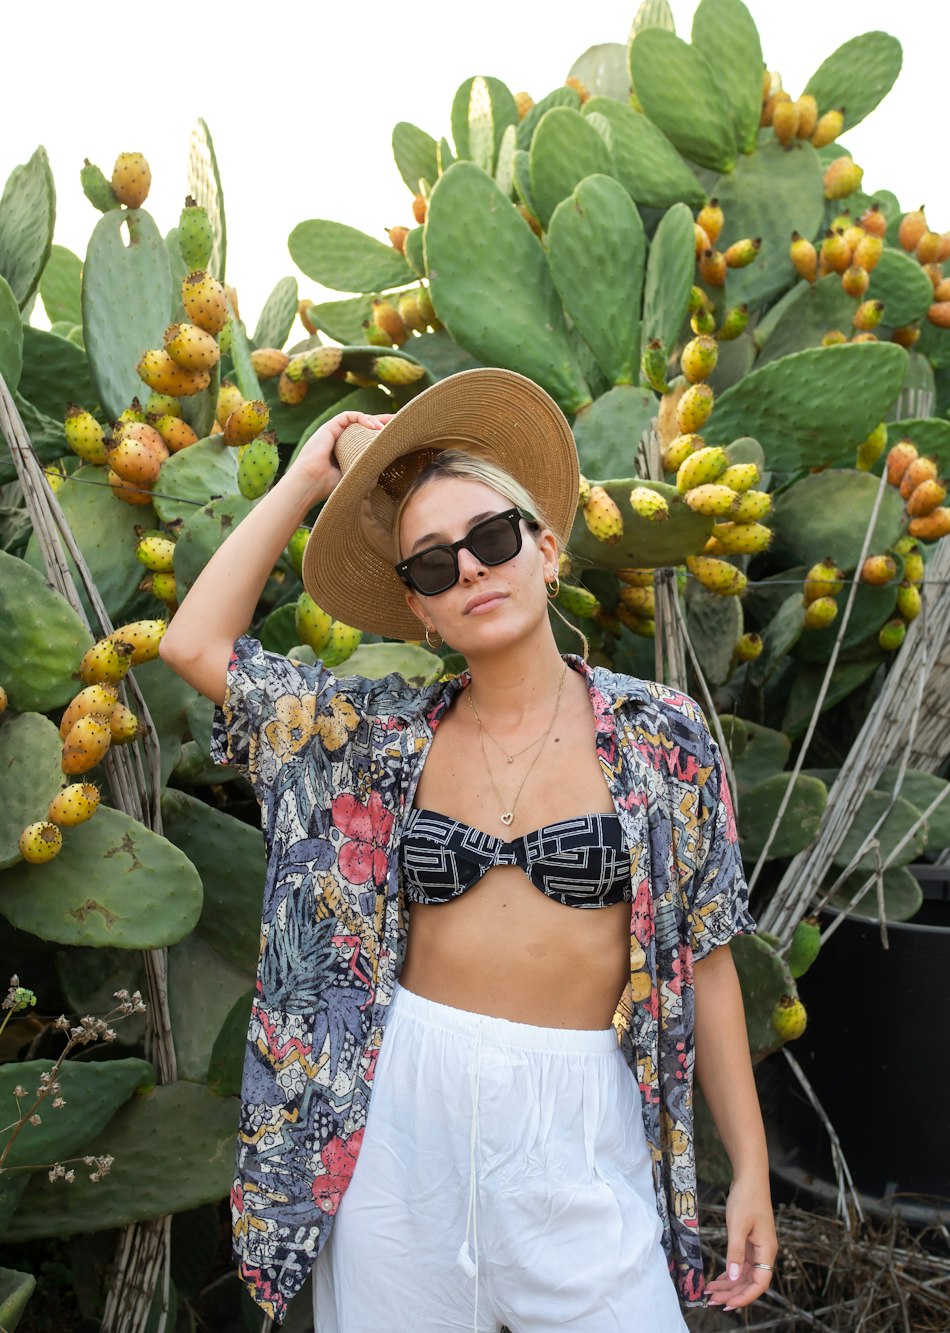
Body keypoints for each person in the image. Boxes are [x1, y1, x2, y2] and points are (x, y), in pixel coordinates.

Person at [158, 366, 777, 1332]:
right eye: (434, 564)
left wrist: (750, 1168)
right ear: (419, 609)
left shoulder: (662, 734)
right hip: (401, 1122)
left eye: (491, 539)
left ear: (546, 548)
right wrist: (305, 478)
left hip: (578, 1127)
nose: (472, 570)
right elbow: (196, 643)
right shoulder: (374, 739)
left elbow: (710, 955)